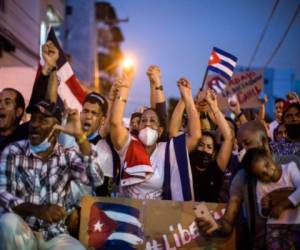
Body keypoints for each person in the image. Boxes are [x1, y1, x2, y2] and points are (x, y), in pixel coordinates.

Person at [0, 100, 103, 250]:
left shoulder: (67, 156)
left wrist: (80, 137)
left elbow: (96, 178)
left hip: (54, 235)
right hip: (22, 231)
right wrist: (37, 210)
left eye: (43, 120)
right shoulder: (13, 151)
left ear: (57, 129)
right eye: (33, 118)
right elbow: (2, 194)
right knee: (7, 222)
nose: (34, 124)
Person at [196, 120, 300, 249]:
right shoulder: (241, 177)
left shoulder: (291, 163)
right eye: (240, 145)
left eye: (247, 143)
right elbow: (228, 221)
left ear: (263, 141)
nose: (243, 149)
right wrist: (216, 225)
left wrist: (282, 199)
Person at [110, 68, 201, 200]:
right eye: (143, 120)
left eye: (152, 121)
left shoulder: (168, 150)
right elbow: (114, 123)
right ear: (139, 126)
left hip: (156, 218)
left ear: (160, 131)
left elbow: (195, 136)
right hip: (127, 216)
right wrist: (125, 87)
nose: (147, 124)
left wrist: (187, 97)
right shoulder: (128, 145)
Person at [170, 89, 233, 202]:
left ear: (214, 154)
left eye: (209, 147)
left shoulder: (217, 168)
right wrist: (186, 99)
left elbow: (228, 137)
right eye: (201, 145)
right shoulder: (185, 162)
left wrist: (214, 106)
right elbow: (173, 133)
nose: (204, 149)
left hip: (209, 217)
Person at [242, 148, 300, 249]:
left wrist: (281, 206)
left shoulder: (290, 168)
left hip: (295, 223)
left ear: (269, 157)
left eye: (266, 165)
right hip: (274, 227)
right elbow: (262, 212)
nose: (268, 173)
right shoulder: (261, 184)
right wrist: (265, 208)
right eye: (262, 175)